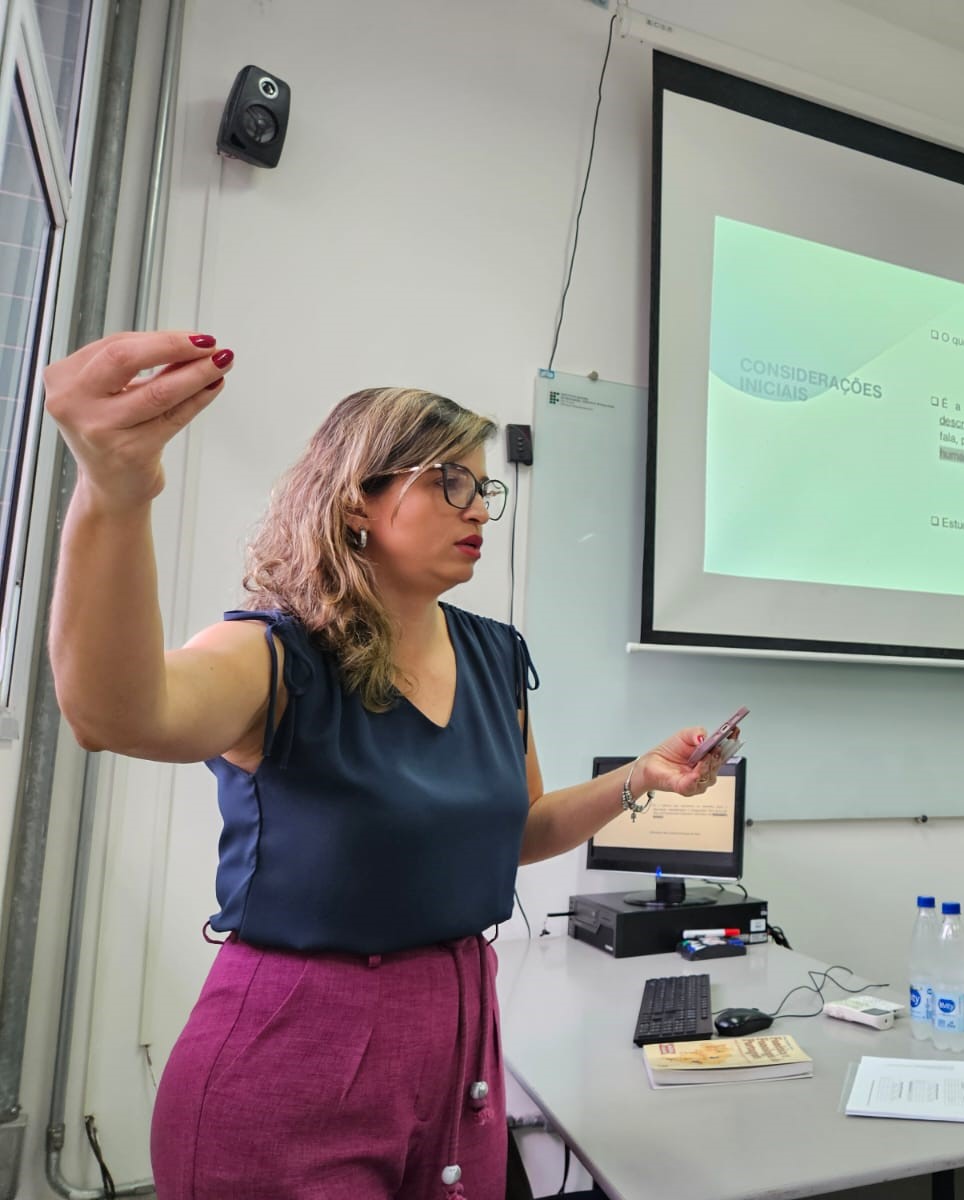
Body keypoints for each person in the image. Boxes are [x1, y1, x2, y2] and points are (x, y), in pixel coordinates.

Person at [44, 330, 737, 1200]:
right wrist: (115, 491)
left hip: (458, 1053)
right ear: (354, 503)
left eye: (483, 487)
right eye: (450, 482)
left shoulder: (494, 655)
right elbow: (115, 713)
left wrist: (639, 777)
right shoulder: (274, 653)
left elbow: (518, 831)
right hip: (290, 1061)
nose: (479, 510)